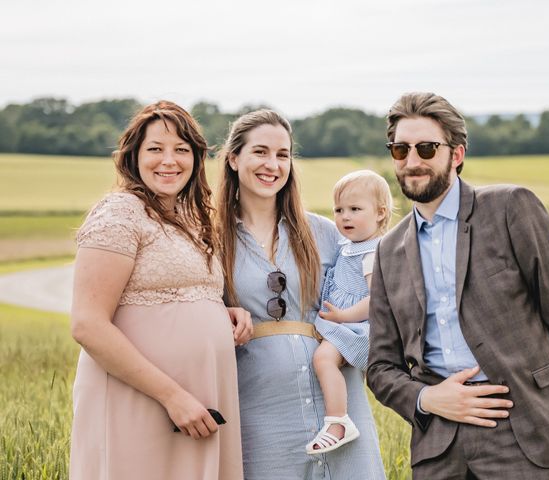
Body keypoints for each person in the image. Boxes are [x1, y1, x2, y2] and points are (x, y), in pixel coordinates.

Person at [366, 92, 549, 479]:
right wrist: (428, 399)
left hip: (521, 434)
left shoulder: (511, 208)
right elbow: (381, 367)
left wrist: (536, 393)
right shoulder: (389, 250)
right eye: (400, 150)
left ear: (456, 154)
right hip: (438, 442)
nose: (412, 161)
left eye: (426, 148)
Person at [70, 101, 251, 480]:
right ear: (133, 156)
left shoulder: (193, 218)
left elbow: (187, 292)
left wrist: (224, 311)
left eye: (181, 150)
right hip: (141, 399)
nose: (169, 160)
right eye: (155, 149)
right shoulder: (120, 213)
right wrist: (172, 397)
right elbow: (87, 324)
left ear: (196, 159)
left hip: (200, 401)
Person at [215, 109, 386, 479]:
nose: (272, 164)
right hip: (260, 412)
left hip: (340, 412)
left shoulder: (326, 232)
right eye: (260, 152)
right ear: (233, 158)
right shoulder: (212, 238)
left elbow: (383, 287)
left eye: (283, 154)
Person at [306, 170, 392, 455]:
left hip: (359, 325)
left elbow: (376, 299)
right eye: (339, 210)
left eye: (355, 209)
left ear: (380, 213)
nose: (344, 217)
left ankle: (339, 421)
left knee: (323, 358)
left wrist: (343, 317)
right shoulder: (347, 245)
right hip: (344, 321)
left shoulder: (371, 253)